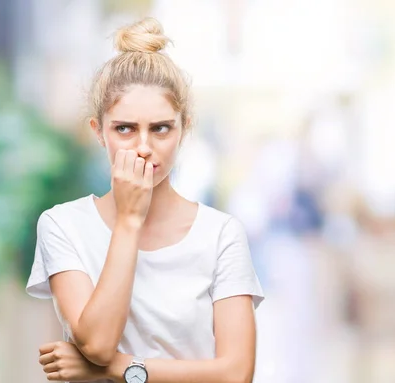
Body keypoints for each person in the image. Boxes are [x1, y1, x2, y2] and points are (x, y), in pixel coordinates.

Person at [25, 17, 264, 383]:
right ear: (99, 132)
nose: (143, 147)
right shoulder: (62, 224)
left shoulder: (221, 235)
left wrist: (120, 369)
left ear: (184, 128)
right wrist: (129, 220)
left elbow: (235, 373)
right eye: (124, 128)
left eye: (160, 128)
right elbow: (98, 343)